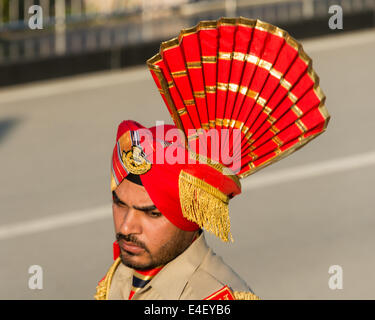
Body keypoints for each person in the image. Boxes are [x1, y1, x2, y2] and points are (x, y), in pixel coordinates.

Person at [94, 17, 329, 300]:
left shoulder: (215, 298)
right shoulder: (121, 274)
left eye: (152, 212)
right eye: (120, 204)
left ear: (195, 213)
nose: (126, 227)